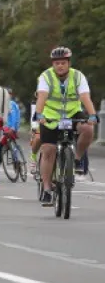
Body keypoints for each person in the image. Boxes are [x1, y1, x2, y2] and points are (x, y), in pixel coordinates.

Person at [33, 46, 98, 206]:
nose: (60, 66)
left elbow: (84, 97)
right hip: (51, 115)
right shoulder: (46, 76)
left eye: (63, 63)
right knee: (49, 150)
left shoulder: (78, 76)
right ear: (53, 64)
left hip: (72, 113)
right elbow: (42, 96)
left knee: (88, 129)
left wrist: (92, 115)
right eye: (57, 63)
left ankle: (76, 159)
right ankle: (47, 188)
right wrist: (39, 114)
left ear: (69, 63)